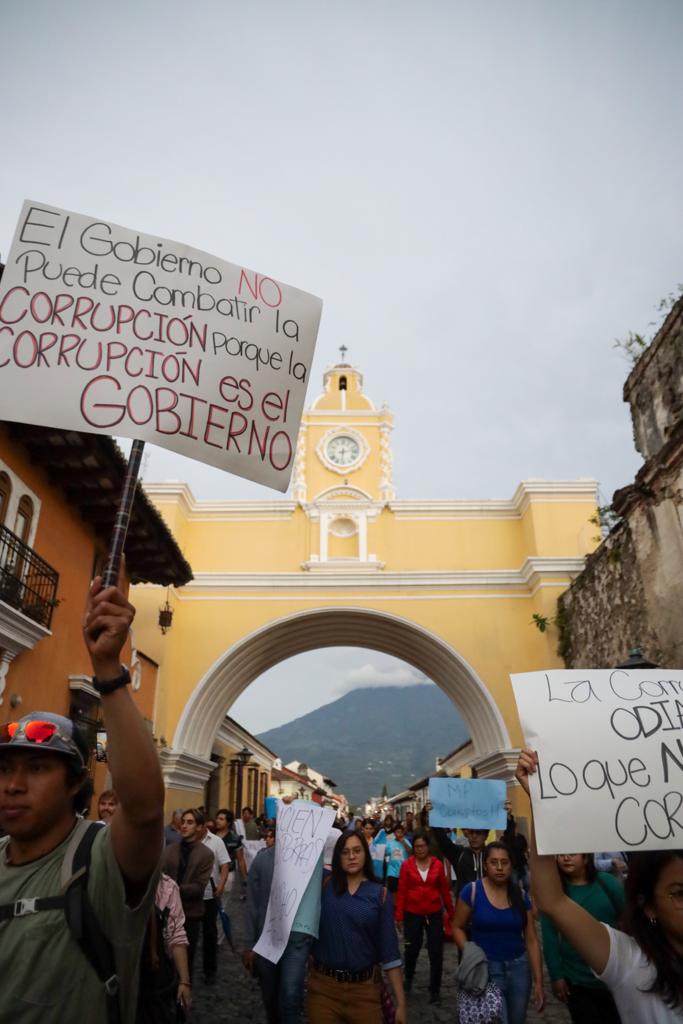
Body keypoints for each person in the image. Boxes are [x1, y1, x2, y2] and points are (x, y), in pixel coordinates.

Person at [0, 568, 165, 1023]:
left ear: (76, 782)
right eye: (5, 768)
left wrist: (109, 672)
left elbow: (145, 809)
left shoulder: (98, 862)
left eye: (36, 768)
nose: (14, 784)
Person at [517, 747, 683, 1024]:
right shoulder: (628, 961)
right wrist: (541, 801)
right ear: (649, 906)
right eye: (679, 893)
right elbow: (551, 902)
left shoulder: (606, 884)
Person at [309, 829, 406, 1023]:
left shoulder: (381, 895)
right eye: (345, 852)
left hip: (364, 991)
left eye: (357, 850)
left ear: (365, 854)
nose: (351, 856)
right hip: (323, 989)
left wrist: (401, 1003)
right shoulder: (324, 884)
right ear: (338, 857)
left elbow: (390, 952)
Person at [452, 841, 545, 1024]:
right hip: (487, 970)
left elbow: (532, 940)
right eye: (494, 862)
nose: (500, 867)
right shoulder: (471, 892)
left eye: (505, 862)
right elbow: (457, 926)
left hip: (519, 970)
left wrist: (539, 982)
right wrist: (469, 949)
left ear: (511, 865)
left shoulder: (520, 895)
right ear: (485, 865)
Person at [243, 825, 321, 1024]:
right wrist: (249, 944)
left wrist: (314, 945)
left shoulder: (308, 863)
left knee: (291, 994)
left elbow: (317, 903)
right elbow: (252, 903)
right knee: (270, 994)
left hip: (297, 941)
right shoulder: (261, 861)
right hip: (266, 939)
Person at [541, 852, 624, 1023]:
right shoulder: (554, 892)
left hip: (615, 977)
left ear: (586, 858)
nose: (566, 858)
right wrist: (556, 975)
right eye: (561, 854)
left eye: (572, 854)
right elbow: (549, 937)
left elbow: (629, 918)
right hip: (577, 980)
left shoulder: (607, 883)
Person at [395, 830, 454, 1003]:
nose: (420, 849)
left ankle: (435, 989)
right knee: (411, 949)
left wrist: (451, 914)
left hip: (434, 914)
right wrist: (399, 916)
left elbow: (444, 890)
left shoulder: (436, 865)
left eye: (422, 846)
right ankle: (409, 977)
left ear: (428, 847)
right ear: (413, 848)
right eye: (416, 846)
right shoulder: (407, 865)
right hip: (412, 914)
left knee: (436, 952)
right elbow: (402, 891)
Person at [162, 808, 214, 976]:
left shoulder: (206, 854)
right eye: (183, 822)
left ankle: (183, 994)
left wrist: (174, 888)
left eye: (190, 823)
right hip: (167, 913)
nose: (184, 826)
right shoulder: (169, 851)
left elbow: (199, 887)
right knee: (167, 959)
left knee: (186, 961)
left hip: (190, 914)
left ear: (199, 827)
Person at [199, 812, 229, 984]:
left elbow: (224, 864)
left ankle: (210, 970)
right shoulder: (189, 841)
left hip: (210, 894)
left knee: (210, 933)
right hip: (191, 895)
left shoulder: (216, 841)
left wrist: (222, 884)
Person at [430, 819, 488, 891]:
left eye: (478, 833)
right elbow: (442, 841)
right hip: (464, 901)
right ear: (467, 835)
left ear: (486, 836)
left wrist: (507, 818)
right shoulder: (459, 854)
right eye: (471, 832)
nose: (474, 836)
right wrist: (435, 816)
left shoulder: (492, 855)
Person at [385, 823, 411, 893]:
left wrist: (404, 843)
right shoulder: (389, 843)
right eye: (397, 832)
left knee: (403, 892)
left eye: (401, 832)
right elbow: (384, 853)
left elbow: (411, 852)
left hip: (404, 871)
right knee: (393, 892)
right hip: (392, 872)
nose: (399, 834)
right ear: (394, 833)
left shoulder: (406, 841)